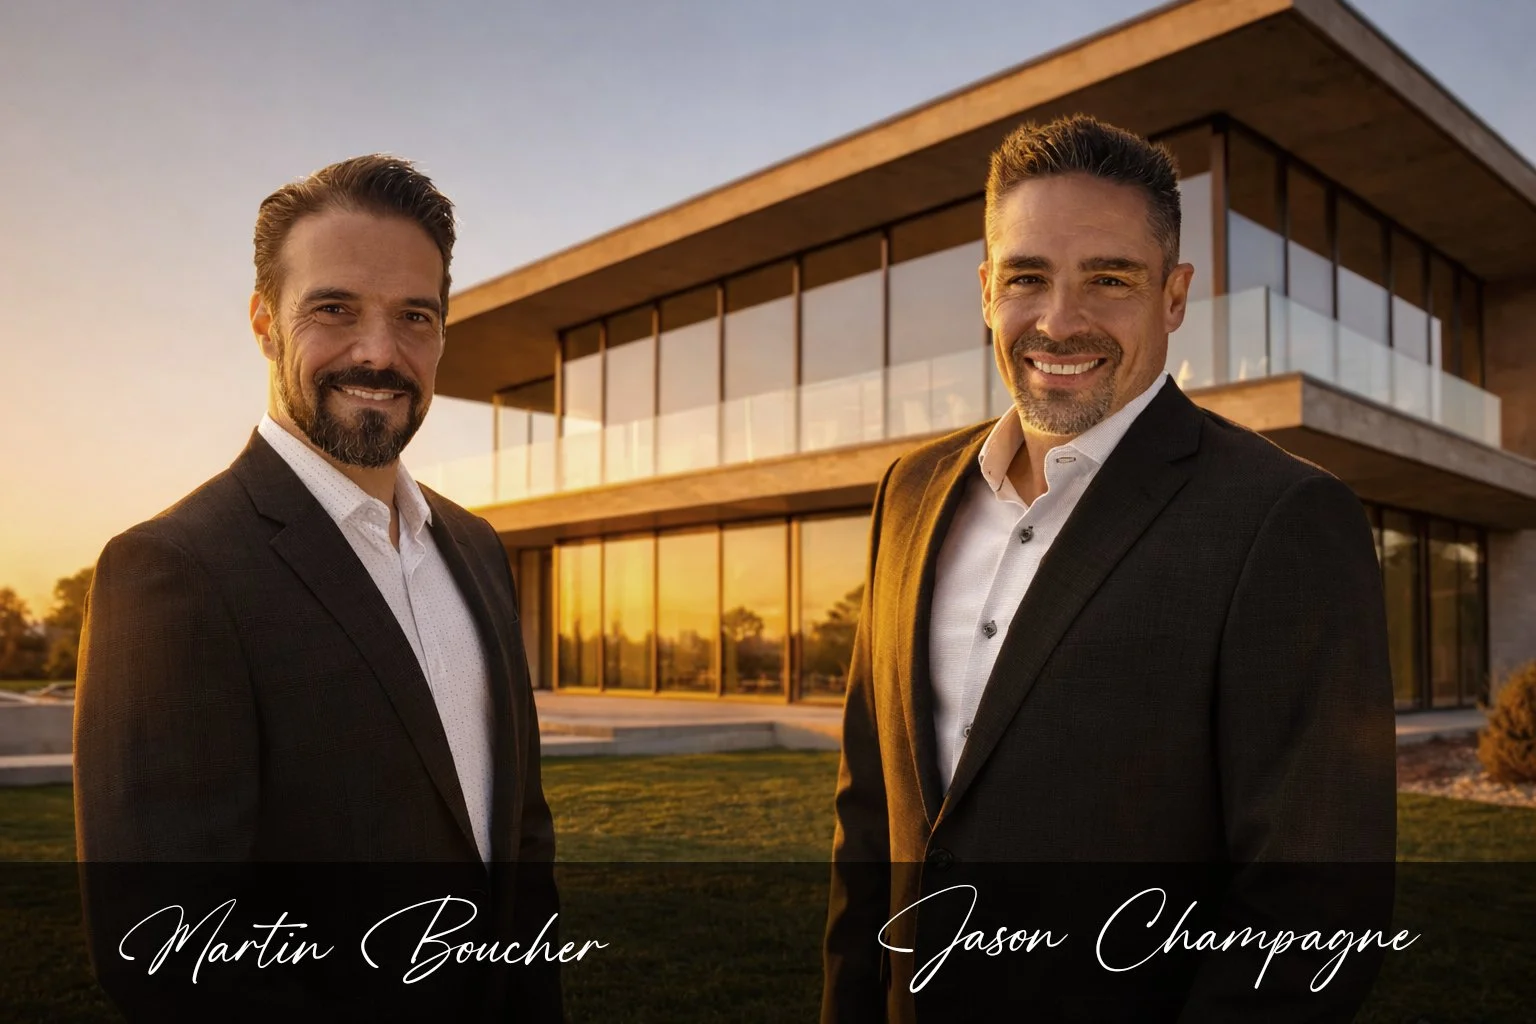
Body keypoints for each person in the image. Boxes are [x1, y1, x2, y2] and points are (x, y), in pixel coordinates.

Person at [823, 115, 1396, 1022]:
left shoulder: (1282, 517)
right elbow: (870, 821)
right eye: (1028, 277)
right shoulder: (910, 492)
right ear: (986, 290)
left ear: (1175, 296)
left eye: (1110, 279)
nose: (1060, 321)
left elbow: (1313, 904)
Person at [74, 155, 560, 1021]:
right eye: (334, 309)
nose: (380, 352)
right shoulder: (173, 569)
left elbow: (520, 841)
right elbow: (165, 949)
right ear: (264, 323)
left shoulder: (478, 549)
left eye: (415, 316)